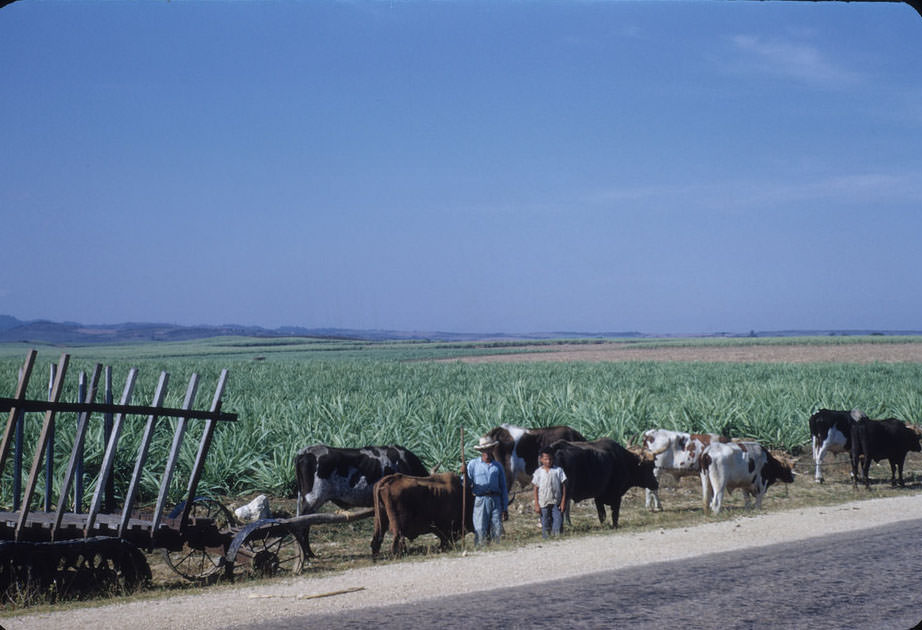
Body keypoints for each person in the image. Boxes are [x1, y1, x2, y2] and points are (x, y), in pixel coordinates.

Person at [465, 436, 509, 546]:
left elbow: (503, 487)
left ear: (492, 450)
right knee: (480, 526)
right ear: (481, 451)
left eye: (489, 449)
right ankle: (480, 548)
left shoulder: (497, 467)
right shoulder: (473, 465)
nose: (487, 453)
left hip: (495, 499)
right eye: (484, 450)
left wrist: (505, 507)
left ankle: (496, 549)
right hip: (480, 499)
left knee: (497, 526)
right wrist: (464, 473)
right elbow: (466, 483)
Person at [532, 447, 567, 538]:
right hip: (543, 502)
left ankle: (557, 539)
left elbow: (564, 486)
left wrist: (563, 502)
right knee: (545, 522)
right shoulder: (538, 472)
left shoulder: (558, 470)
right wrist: (536, 504)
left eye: (550, 459)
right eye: (546, 459)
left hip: (556, 502)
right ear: (541, 459)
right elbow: (535, 488)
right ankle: (546, 540)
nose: (548, 461)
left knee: (558, 521)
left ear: (553, 459)